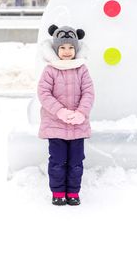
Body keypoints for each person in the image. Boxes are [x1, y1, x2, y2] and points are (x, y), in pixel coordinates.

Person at [37, 25, 95, 206]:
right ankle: (58, 192)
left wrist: (81, 113)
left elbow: (88, 93)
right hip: (56, 126)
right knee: (57, 161)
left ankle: (73, 192)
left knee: (76, 162)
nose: (67, 51)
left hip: (78, 126)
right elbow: (44, 93)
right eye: (62, 47)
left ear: (76, 49)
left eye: (71, 47)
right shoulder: (50, 70)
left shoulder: (82, 69)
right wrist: (60, 111)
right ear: (56, 49)